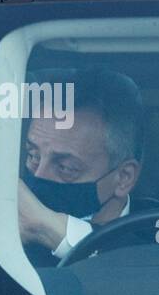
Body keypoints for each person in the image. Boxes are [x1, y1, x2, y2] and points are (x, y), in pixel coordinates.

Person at [17, 68, 146, 260]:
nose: (38, 176)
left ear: (124, 178)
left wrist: (48, 228)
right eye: (33, 155)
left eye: (66, 168)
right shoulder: (6, 236)